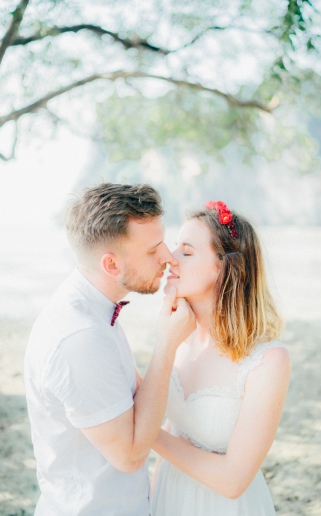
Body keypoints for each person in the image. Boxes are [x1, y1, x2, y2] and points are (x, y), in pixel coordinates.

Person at [24, 182, 196, 516]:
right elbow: (130, 456)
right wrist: (167, 344)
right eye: (153, 249)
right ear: (111, 265)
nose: (168, 257)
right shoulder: (80, 338)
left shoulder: (96, 311)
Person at [151, 201, 292, 516]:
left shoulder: (268, 361)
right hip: (168, 500)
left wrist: (146, 432)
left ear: (225, 266)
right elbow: (175, 432)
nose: (169, 259)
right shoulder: (178, 338)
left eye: (186, 252)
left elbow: (233, 481)